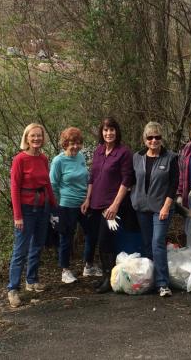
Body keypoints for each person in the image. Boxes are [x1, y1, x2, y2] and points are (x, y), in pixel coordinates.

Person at [8, 123, 57, 308]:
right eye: (33, 136)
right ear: (26, 138)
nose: (36, 139)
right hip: (26, 209)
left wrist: (54, 206)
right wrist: (17, 216)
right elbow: (14, 188)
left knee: (37, 245)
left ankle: (32, 280)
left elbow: (47, 184)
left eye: (39, 136)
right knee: (20, 250)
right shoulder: (19, 159)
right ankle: (13, 289)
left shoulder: (44, 158)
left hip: (43, 207)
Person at [83, 117, 134, 294]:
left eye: (111, 130)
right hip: (95, 204)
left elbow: (126, 181)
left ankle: (110, 279)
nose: (108, 133)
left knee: (107, 241)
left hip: (111, 206)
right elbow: (92, 177)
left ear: (116, 132)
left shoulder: (123, 152)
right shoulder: (98, 151)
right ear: (101, 133)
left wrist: (115, 205)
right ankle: (105, 276)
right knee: (98, 240)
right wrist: (88, 199)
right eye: (105, 130)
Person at [131, 122, 178, 297]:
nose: (154, 141)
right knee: (147, 243)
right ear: (145, 139)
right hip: (142, 206)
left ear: (161, 138)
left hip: (162, 208)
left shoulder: (171, 157)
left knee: (158, 242)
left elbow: (174, 185)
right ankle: (149, 279)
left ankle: (162, 283)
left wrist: (166, 207)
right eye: (150, 137)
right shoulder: (137, 157)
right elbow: (129, 179)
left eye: (157, 137)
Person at [50, 127, 98, 285]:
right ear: (65, 144)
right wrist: (59, 202)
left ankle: (88, 266)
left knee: (91, 233)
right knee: (66, 238)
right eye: (72, 143)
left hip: (84, 203)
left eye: (78, 143)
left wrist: (87, 199)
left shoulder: (81, 157)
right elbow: (53, 184)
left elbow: (86, 179)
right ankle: (65, 270)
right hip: (66, 205)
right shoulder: (58, 161)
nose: (76, 146)